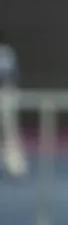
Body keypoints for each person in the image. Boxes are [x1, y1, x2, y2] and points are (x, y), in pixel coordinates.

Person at [0, 31, 28, 179]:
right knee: (10, 131)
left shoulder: (6, 53)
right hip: (9, 95)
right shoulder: (9, 53)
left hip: (6, 96)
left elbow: (11, 75)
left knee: (10, 131)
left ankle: (16, 165)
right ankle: (15, 165)